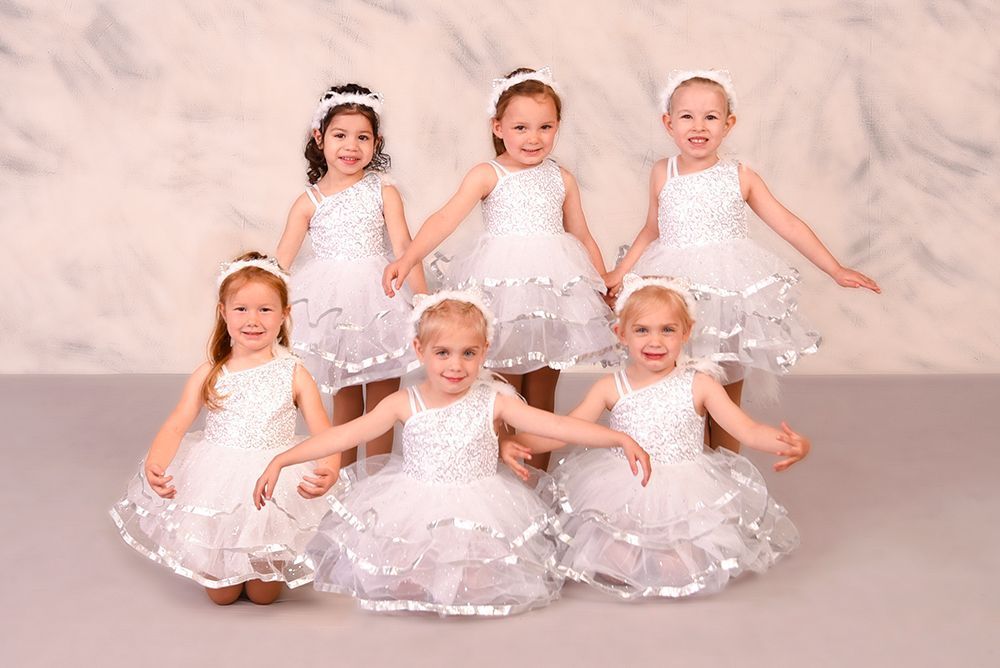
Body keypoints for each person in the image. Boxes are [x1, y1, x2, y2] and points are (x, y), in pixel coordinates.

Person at [254, 290, 649, 616]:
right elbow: (344, 435)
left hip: (479, 504)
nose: (456, 366)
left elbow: (557, 426)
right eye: (442, 353)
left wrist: (618, 439)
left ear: (484, 351)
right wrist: (282, 459)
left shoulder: (493, 399)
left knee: (477, 582)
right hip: (416, 503)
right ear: (419, 349)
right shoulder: (402, 402)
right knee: (406, 577)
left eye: (468, 354)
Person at [606, 69, 880, 451]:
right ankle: (690, 466)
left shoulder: (740, 175)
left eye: (711, 117)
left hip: (728, 292)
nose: (698, 126)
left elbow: (787, 222)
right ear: (668, 124)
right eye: (687, 116)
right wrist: (621, 272)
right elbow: (652, 228)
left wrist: (834, 268)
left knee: (724, 385)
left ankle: (727, 471)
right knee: (680, 384)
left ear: (728, 124)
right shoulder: (661, 172)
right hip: (674, 288)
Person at [503, 275, 808, 599]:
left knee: (682, 563)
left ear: (686, 332)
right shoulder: (611, 387)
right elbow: (566, 430)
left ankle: (663, 558)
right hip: (623, 484)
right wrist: (513, 444)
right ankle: (632, 557)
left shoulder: (700, 383)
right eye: (642, 330)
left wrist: (790, 444)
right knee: (608, 553)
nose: (655, 341)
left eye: (668, 330)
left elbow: (746, 429)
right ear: (621, 334)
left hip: (684, 485)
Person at [382, 67, 619, 470]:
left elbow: (582, 235)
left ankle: (537, 484)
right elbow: (444, 218)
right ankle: (498, 480)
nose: (533, 138)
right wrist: (407, 259)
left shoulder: (561, 177)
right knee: (500, 390)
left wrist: (600, 283)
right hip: (501, 291)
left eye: (545, 127)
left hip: (552, 291)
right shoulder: (488, 173)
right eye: (521, 127)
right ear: (498, 126)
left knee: (543, 388)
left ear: (558, 127)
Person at [110, 252, 336, 605]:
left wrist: (330, 467)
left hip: (274, 481)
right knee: (222, 594)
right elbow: (176, 424)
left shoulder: (294, 372)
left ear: (284, 315)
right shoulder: (211, 372)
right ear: (223, 312)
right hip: (217, 476)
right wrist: (158, 464)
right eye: (241, 309)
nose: (253, 320)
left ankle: (263, 564)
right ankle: (224, 564)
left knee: (263, 594)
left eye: (265, 310)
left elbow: (325, 432)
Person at [277, 83, 427, 465]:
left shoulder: (384, 191)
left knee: (383, 395)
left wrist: (425, 299)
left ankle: (375, 479)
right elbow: (280, 264)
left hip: (380, 297)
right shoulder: (308, 201)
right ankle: (340, 478)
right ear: (319, 138)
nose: (351, 146)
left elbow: (407, 249)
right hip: (332, 306)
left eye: (363, 137)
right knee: (344, 395)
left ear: (376, 143)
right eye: (340, 135)